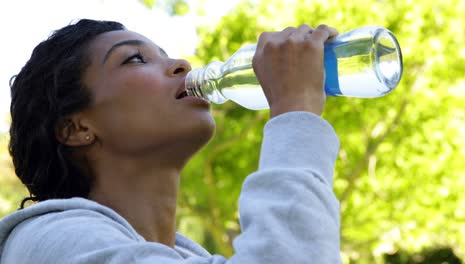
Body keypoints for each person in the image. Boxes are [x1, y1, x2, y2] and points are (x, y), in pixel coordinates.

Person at [0, 19, 341, 263]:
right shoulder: (51, 241)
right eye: (135, 59)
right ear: (76, 128)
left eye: (164, 54)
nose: (182, 64)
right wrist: (295, 112)